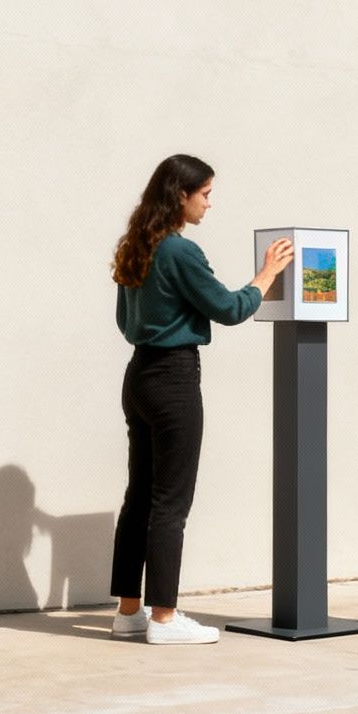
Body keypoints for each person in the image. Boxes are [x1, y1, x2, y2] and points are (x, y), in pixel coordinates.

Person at [109, 154, 294, 645]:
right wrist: (266, 276)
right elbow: (229, 308)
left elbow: (125, 322)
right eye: (206, 193)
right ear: (181, 195)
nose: (210, 203)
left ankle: (129, 612)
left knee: (139, 497)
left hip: (139, 374)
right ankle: (164, 619)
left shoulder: (136, 245)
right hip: (173, 378)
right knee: (171, 502)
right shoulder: (179, 252)